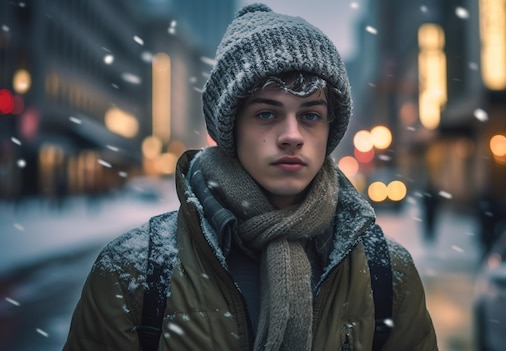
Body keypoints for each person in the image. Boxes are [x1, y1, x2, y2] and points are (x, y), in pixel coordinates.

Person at [63, 3, 438, 350]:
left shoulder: (386, 272)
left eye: (310, 115)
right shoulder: (136, 271)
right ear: (231, 129)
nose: (292, 135)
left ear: (329, 129)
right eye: (266, 114)